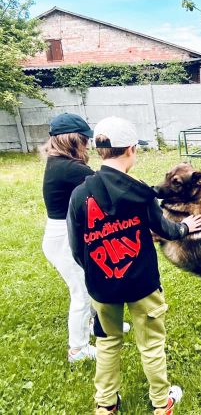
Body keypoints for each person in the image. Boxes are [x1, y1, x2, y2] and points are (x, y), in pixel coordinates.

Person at [67, 116, 201, 414]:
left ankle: (106, 404)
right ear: (131, 149)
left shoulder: (79, 194)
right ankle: (161, 402)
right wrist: (184, 228)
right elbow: (166, 229)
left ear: (99, 151)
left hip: (102, 286)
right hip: (143, 284)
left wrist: (96, 272)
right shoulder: (141, 192)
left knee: (107, 342)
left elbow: (77, 247)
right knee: (151, 344)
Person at [42, 112, 98, 363]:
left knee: (93, 280)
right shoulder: (70, 168)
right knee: (82, 292)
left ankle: (99, 327)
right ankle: (78, 349)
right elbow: (107, 185)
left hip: (66, 233)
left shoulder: (58, 163)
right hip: (63, 238)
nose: (88, 146)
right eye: (85, 140)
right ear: (74, 140)